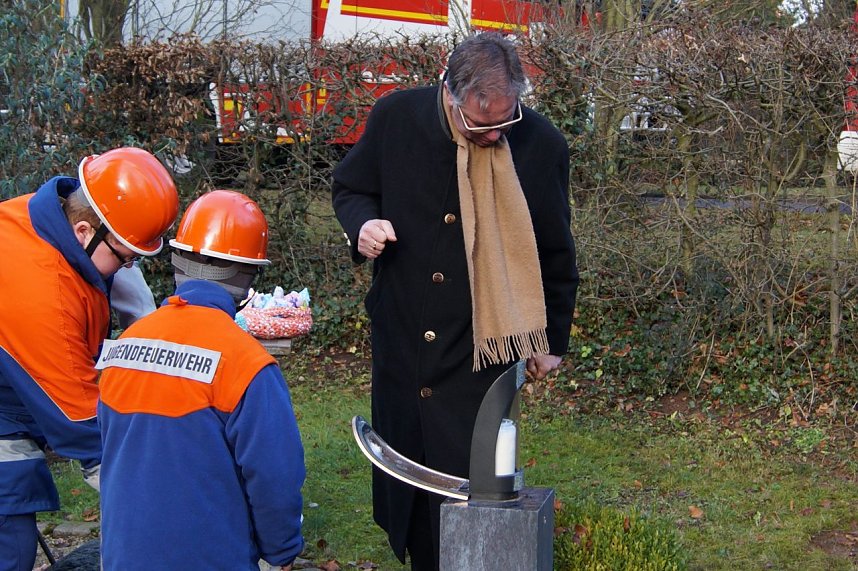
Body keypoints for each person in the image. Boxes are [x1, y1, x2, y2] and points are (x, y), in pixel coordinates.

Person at [331, 32, 579, 570]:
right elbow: (350, 189)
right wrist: (362, 226)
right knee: (408, 489)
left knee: (473, 493)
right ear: (449, 91)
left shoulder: (541, 146)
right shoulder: (396, 118)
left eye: (504, 121)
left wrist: (550, 339)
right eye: (480, 122)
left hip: (480, 358)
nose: (493, 135)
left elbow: (556, 252)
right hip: (402, 345)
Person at [96, 190, 305, 570]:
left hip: (123, 556)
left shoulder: (124, 345)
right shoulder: (247, 363)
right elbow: (275, 477)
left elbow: (110, 445)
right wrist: (281, 550)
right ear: (248, 274)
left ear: (177, 260)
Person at [0, 147, 179, 571]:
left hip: (11, 394)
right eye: (126, 256)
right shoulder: (43, 296)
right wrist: (162, 503)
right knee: (9, 538)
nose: (129, 265)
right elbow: (84, 427)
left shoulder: (43, 218)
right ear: (84, 232)